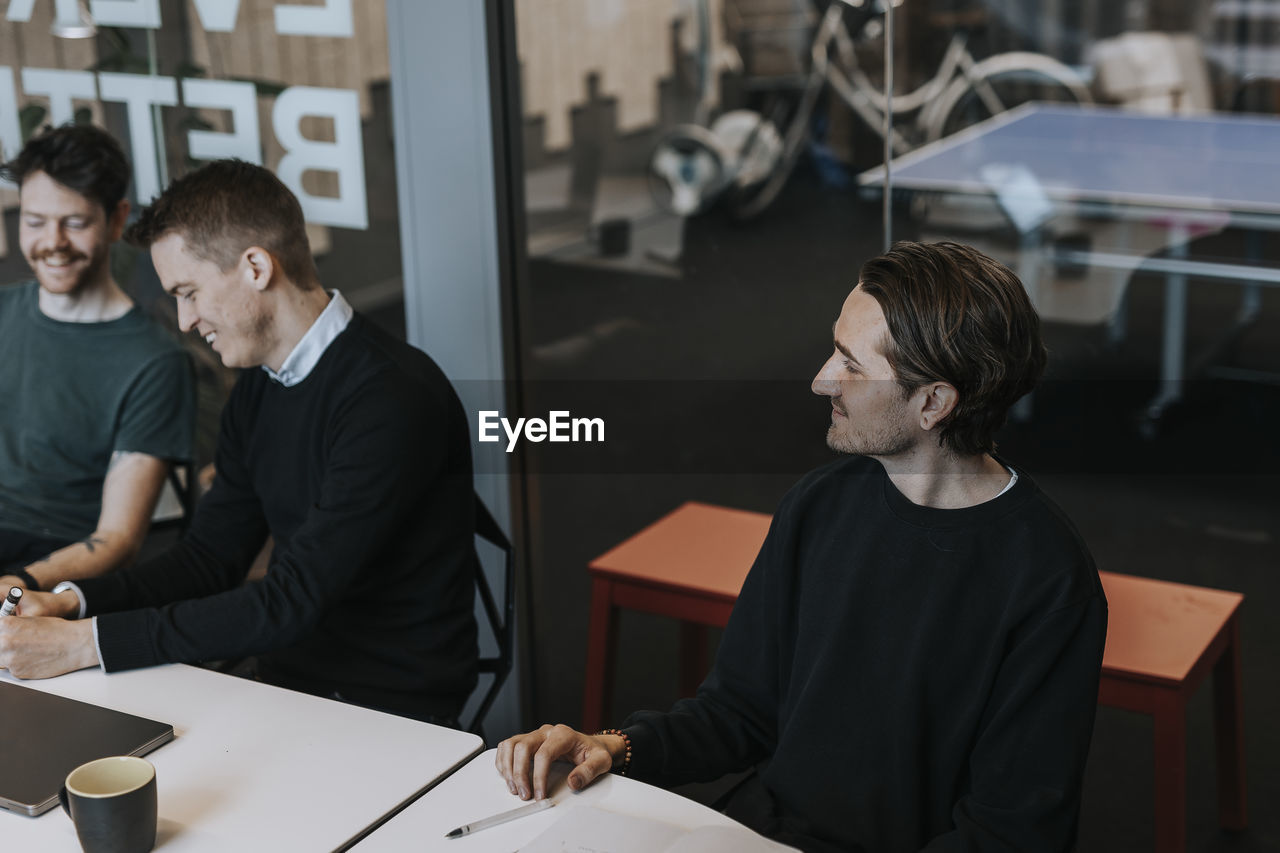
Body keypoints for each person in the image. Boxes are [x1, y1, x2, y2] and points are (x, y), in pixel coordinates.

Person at [497, 242, 1108, 852]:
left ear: (932, 404)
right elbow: (739, 711)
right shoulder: (820, 505)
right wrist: (613, 746)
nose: (821, 380)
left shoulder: (1047, 580)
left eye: (851, 364)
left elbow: (1010, 832)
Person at [0, 159, 479, 725]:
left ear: (255, 267)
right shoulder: (259, 387)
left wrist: (83, 644)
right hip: (286, 683)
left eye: (189, 292)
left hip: (392, 709)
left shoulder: (391, 396)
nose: (183, 320)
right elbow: (209, 560)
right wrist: (70, 601)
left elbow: (292, 601)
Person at [0, 124, 195, 593]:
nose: (53, 242)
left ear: (116, 221)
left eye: (74, 222)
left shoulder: (155, 363)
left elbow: (117, 540)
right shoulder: (3, 312)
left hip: (53, 560)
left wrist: (15, 586)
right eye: (35, 221)